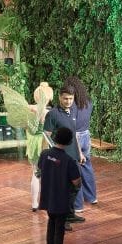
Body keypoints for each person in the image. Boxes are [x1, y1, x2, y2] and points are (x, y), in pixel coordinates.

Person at [40, 127, 82, 244]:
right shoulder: (69, 160)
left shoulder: (45, 154)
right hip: (61, 198)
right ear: (70, 142)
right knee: (60, 226)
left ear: (55, 137)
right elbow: (76, 181)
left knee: (51, 221)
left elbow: (40, 168)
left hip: (48, 196)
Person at [43, 85, 84, 224]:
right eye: (65, 98)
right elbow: (46, 136)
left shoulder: (73, 111)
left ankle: (70, 214)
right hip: (60, 159)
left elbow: (74, 134)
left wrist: (80, 153)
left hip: (73, 158)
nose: (68, 101)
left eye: (71, 99)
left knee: (76, 186)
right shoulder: (53, 114)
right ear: (60, 97)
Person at [64, 77, 97, 211]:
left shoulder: (72, 106)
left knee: (74, 171)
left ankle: (77, 205)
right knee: (87, 166)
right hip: (86, 135)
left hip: (76, 138)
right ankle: (92, 197)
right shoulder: (88, 102)